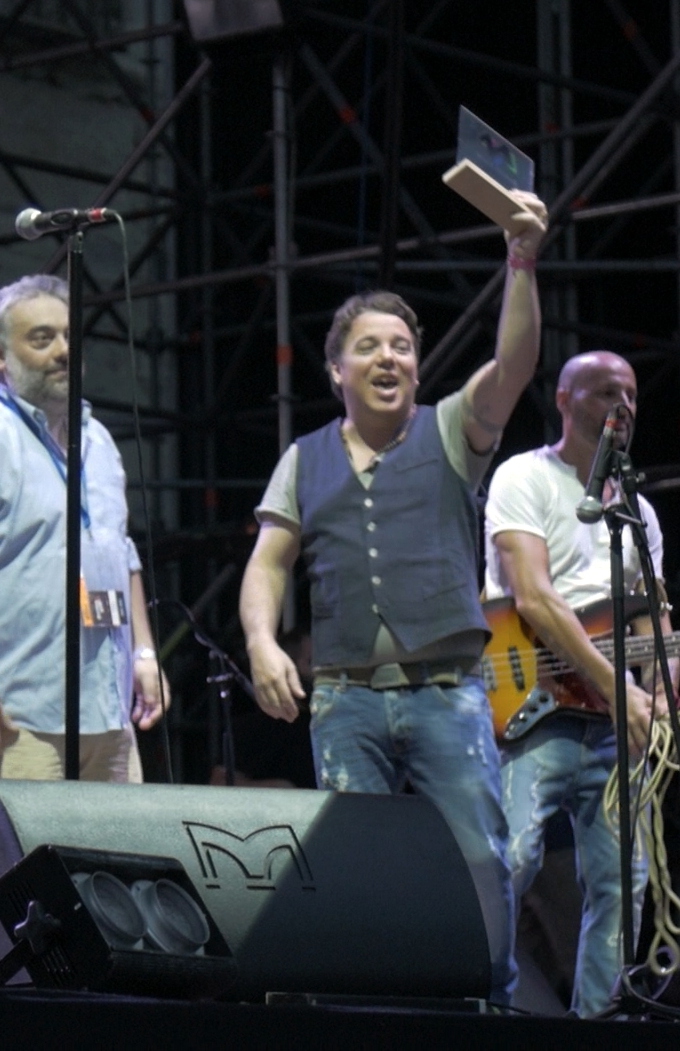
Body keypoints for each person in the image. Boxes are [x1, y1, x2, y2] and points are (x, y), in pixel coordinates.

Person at [238, 191, 546, 1003]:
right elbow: (268, 563)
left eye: (402, 347)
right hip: (345, 699)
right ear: (335, 368)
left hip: (447, 694)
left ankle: (490, 1000)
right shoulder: (304, 459)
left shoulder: (451, 430)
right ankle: (367, 1005)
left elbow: (513, 366)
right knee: (355, 862)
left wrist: (519, 260)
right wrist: (264, 643)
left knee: (480, 852)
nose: (388, 359)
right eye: (369, 347)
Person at [0, 275, 168, 782]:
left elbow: (119, 552)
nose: (64, 351)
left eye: (69, 336)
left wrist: (144, 653)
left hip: (108, 714)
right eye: (42, 338)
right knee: (29, 863)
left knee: (123, 861)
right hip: (16, 719)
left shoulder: (99, 441)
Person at [483, 349, 675, 1016]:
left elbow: (653, 621)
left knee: (625, 882)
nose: (620, 405)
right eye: (602, 392)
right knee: (508, 861)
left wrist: (662, 696)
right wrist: (620, 688)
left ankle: (596, 1021)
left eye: (628, 393)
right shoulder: (523, 477)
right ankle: (489, 1008)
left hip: (610, 723)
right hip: (530, 705)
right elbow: (532, 597)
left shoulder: (638, 514)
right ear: (563, 401)